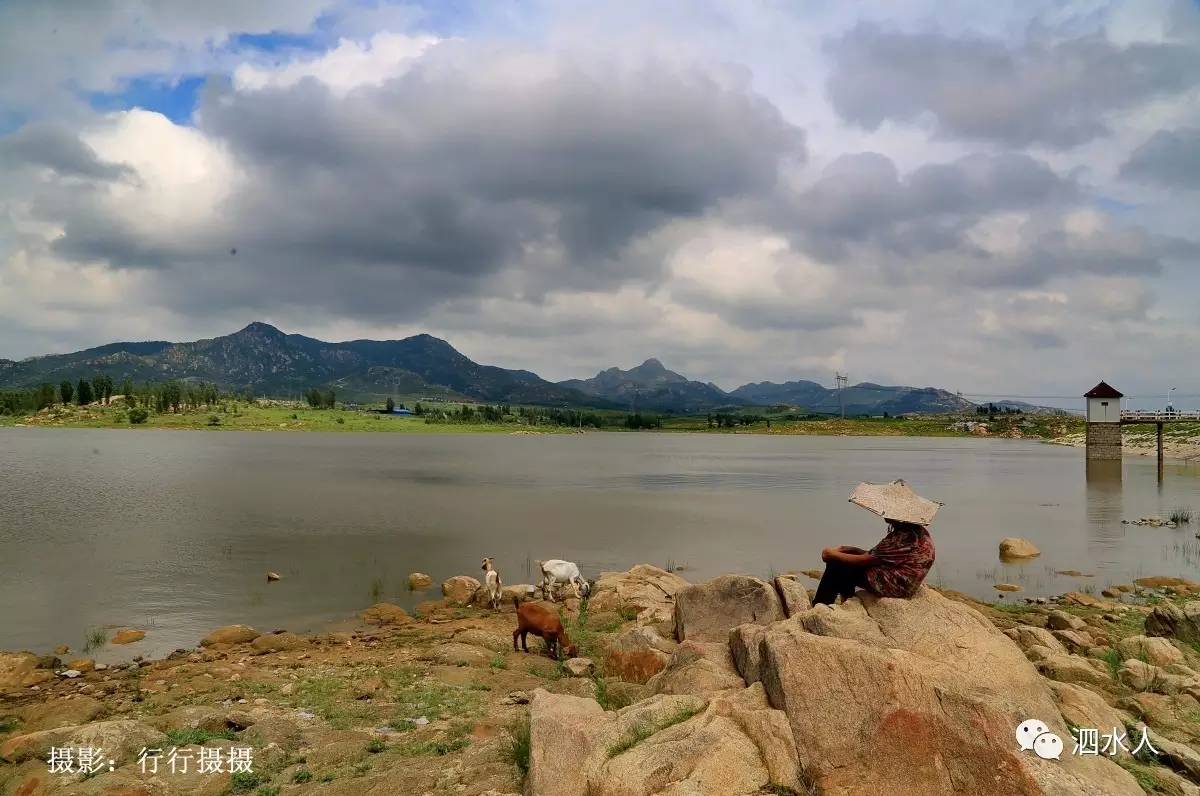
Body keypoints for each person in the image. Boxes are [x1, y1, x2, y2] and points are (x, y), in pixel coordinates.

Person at [814, 519, 936, 605]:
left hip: (895, 585)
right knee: (846, 561)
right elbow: (880, 555)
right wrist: (849, 549)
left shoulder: (904, 537)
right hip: (903, 580)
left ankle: (820, 606)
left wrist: (830, 554)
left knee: (837, 565)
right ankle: (846, 600)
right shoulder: (917, 531)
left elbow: (863, 561)